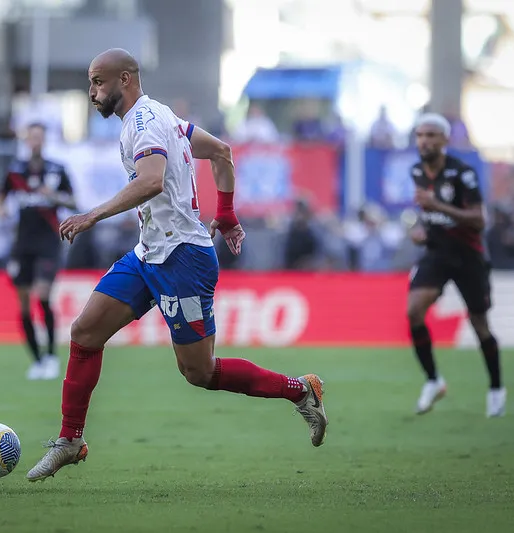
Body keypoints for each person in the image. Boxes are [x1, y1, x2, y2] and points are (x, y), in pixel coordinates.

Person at [26, 48, 328, 482]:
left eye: (98, 82)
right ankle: (70, 441)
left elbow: (150, 180)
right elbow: (222, 152)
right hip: (150, 252)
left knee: (199, 372)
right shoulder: (161, 116)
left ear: (125, 79)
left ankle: (301, 391)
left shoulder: (145, 124)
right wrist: (225, 213)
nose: (92, 92)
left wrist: (91, 215)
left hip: (183, 259)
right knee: (85, 332)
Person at [406, 113, 505, 417]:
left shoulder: (463, 175)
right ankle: (434, 380)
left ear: (445, 140)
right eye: (421, 135)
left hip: (468, 255)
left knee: (479, 325)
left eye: (432, 135)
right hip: (437, 252)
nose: (425, 140)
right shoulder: (416, 171)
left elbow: (478, 220)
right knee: (414, 310)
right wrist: (420, 231)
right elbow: (426, 214)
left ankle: (496, 389)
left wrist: (437, 206)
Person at [0, 123, 76, 381]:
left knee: (42, 295)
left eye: (39, 137)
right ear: (26, 140)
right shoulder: (15, 171)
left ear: (44, 140)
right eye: (31, 137)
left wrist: (53, 196)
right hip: (22, 244)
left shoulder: (56, 169)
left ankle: (52, 355)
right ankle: (37, 359)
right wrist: (0, 213)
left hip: (48, 243)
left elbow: (73, 201)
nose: (35, 142)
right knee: (23, 303)